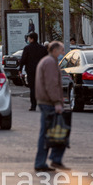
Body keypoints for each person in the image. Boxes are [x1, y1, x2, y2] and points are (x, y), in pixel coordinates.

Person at [34, 40, 67, 172]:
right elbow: (51, 84)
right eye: (61, 50)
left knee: (54, 132)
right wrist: (57, 102)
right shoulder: (50, 63)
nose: (63, 53)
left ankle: (55, 159)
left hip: (47, 102)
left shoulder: (48, 61)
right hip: (49, 103)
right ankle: (42, 162)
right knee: (49, 133)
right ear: (54, 51)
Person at [19, 32, 48, 111]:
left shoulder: (27, 48)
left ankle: (33, 105)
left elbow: (23, 60)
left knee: (32, 88)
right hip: (41, 71)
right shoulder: (43, 49)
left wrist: (20, 69)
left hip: (30, 71)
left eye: (29, 38)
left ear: (32, 39)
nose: (28, 39)